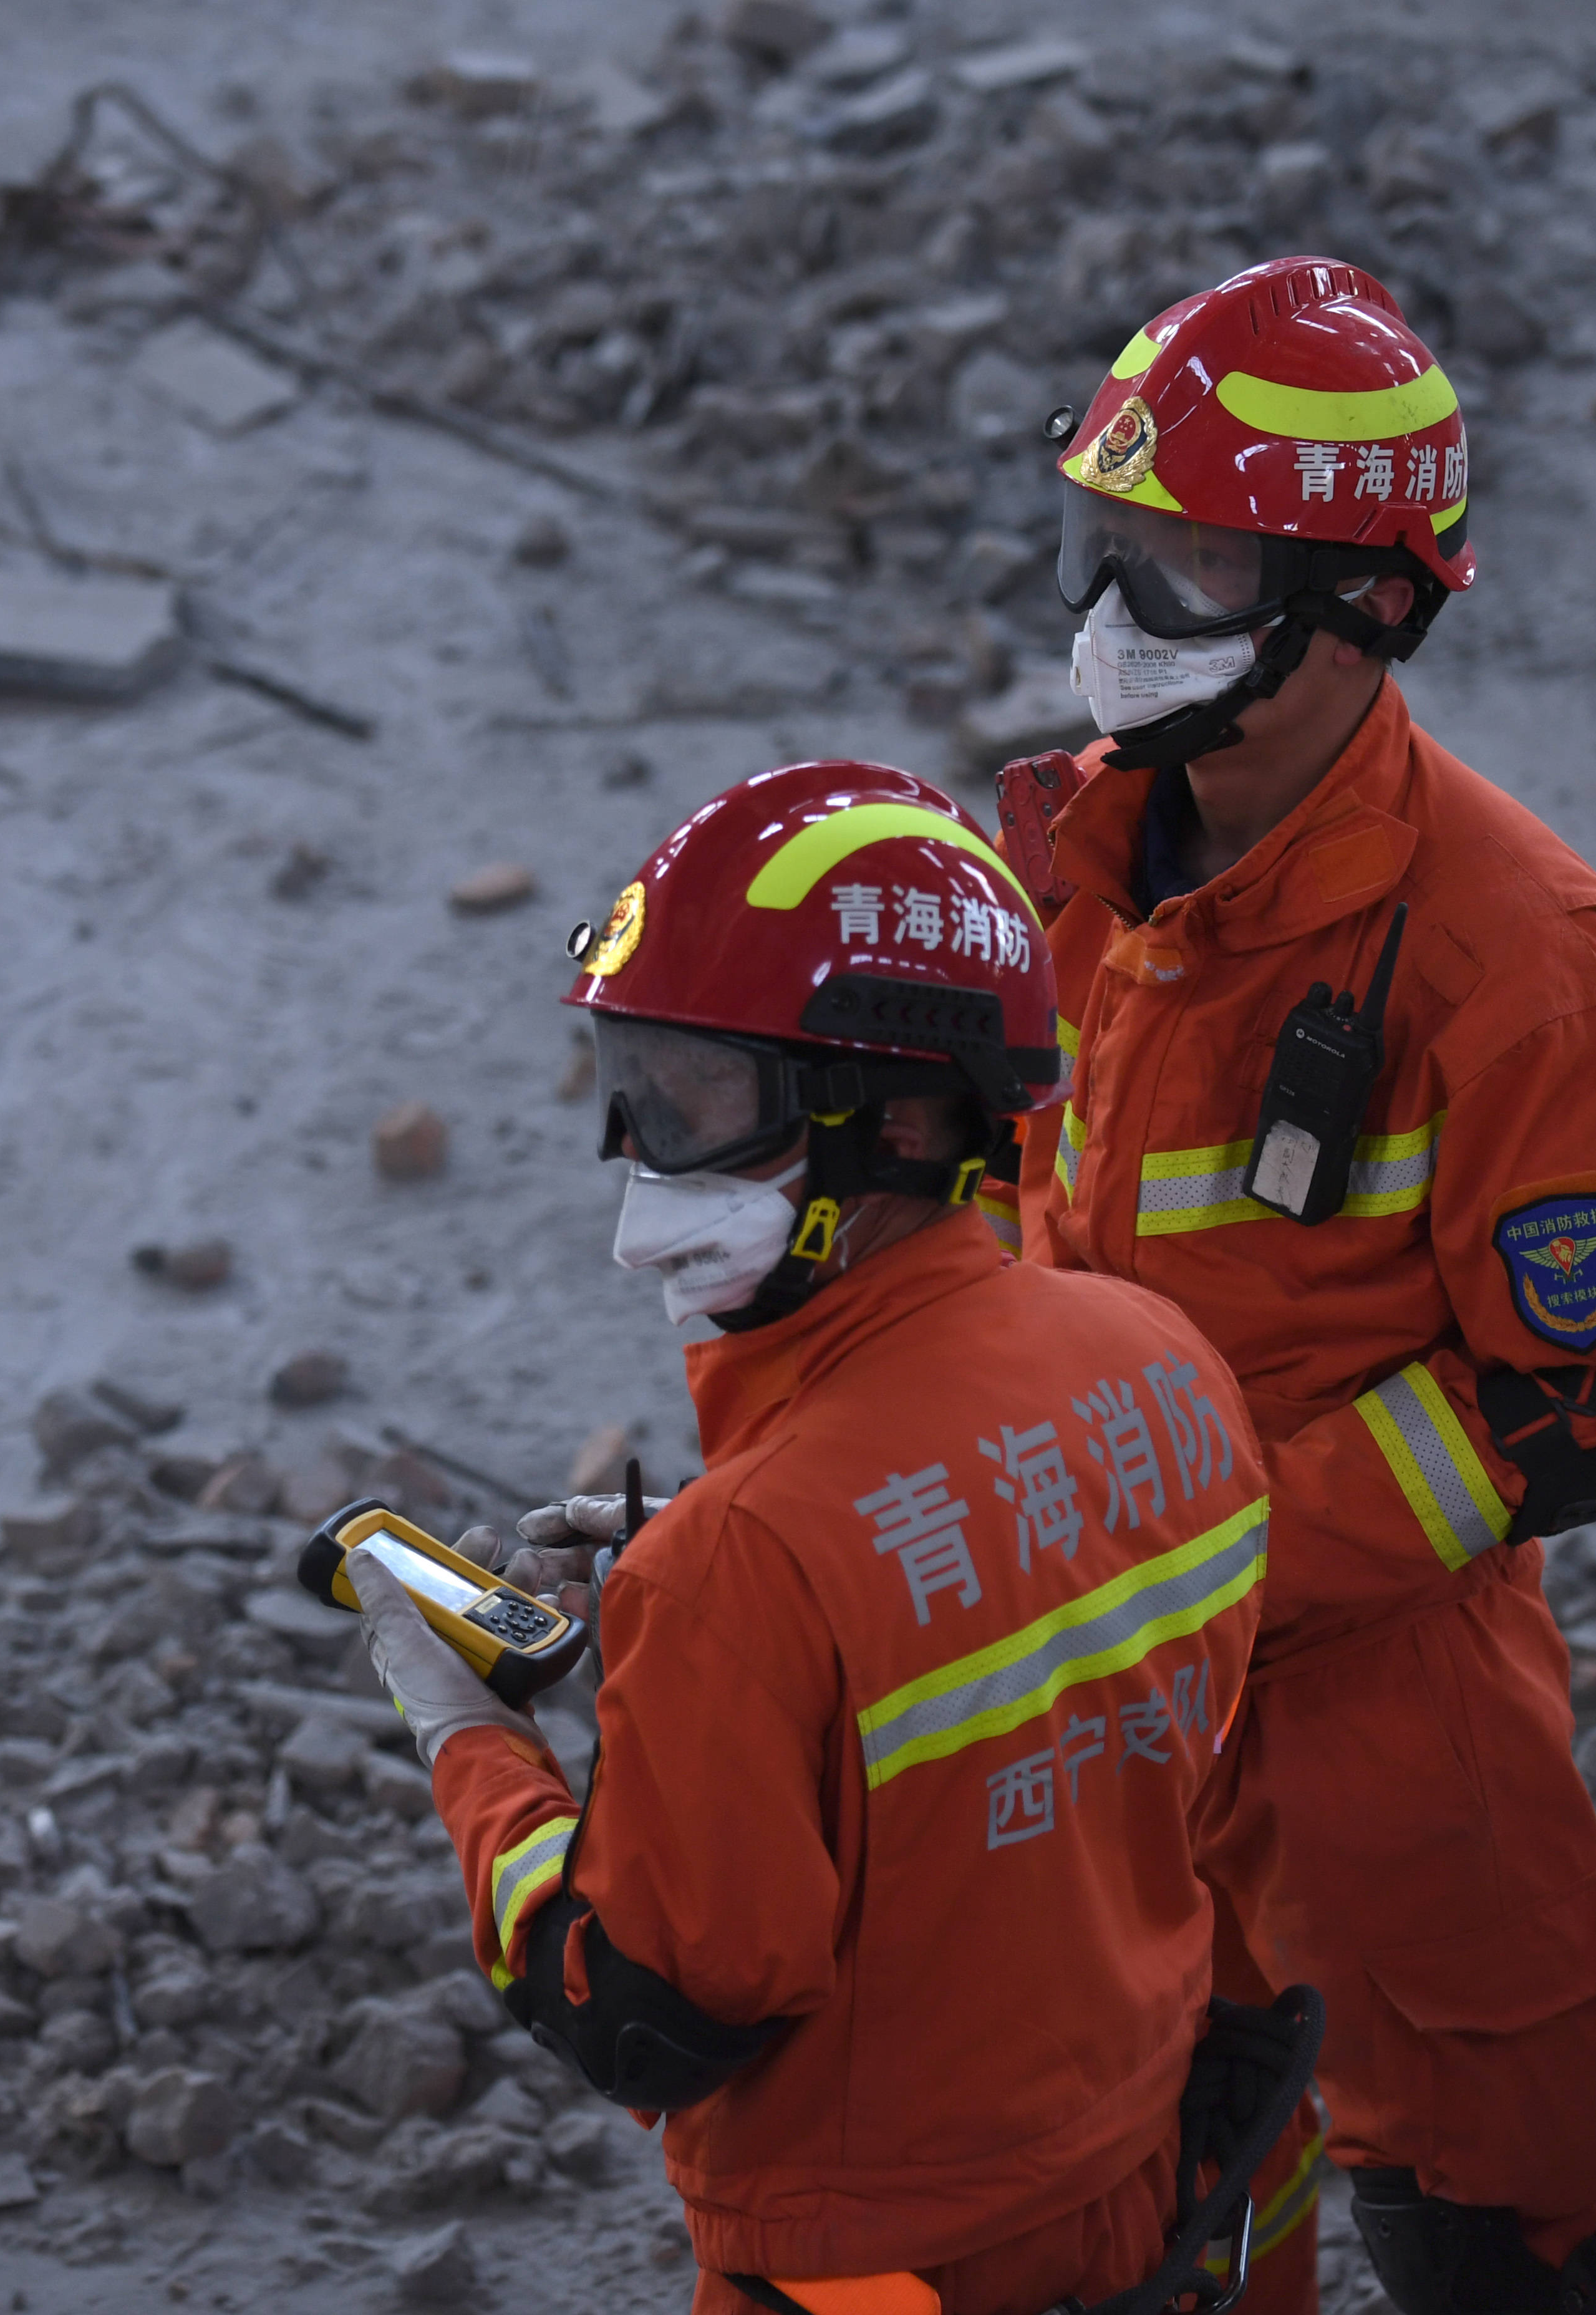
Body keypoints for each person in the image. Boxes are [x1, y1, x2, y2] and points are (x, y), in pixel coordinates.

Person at [994, 254, 1596, 2315]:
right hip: (1114, 1702)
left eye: (1191, 574)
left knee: (1499, 2230)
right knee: (1170, 2212)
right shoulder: (1077, 871)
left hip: (1386, 1730)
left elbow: (1575, 1417)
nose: (1113, 625)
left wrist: (1196, 1554)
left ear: (1370, 606)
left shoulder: (1527, 966)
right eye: (1105, 552)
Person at [346, 762, 1281, 2315]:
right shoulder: (1162, 1360)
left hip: (877, 2256)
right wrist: (716, 1604)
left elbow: (640, 2005)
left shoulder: (751, 1563)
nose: (647, 1154)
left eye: (698, 1096)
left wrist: (470, 1735)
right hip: (1130, 2159)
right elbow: (1119, 1719)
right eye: (631, 1083)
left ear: (899, 1120)